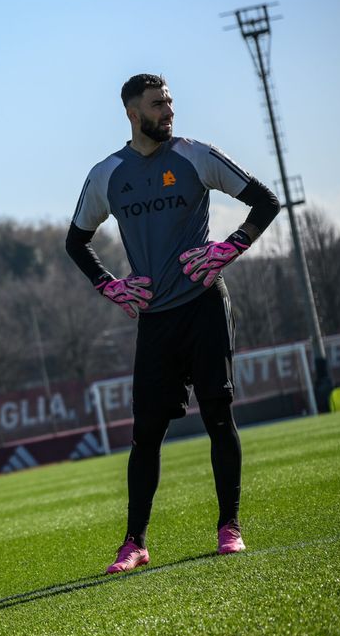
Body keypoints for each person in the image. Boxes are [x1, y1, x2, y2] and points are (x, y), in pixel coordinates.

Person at [65, 73, 280, 574]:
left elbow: (266, 201)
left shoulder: (195, 155)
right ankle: (134, 544)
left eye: (169, 102)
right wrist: (108, 285)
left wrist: (232, 246)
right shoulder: (107, 174)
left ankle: (230, 528)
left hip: (204, 306)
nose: (168, 111)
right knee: (146, 433)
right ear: (132, 113)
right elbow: (76, 241)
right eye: (157, 104)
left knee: (218, 417)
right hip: (155, 321)